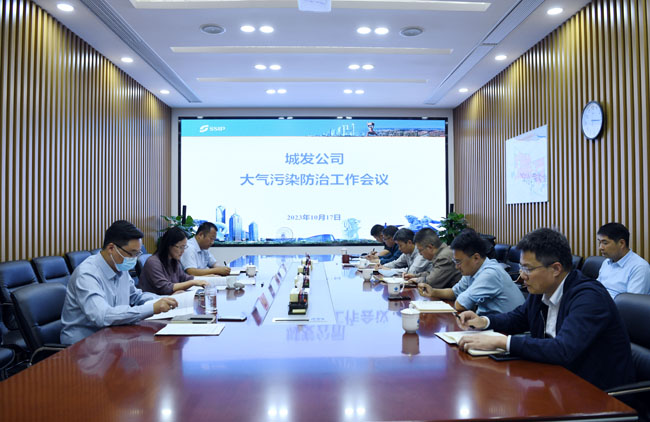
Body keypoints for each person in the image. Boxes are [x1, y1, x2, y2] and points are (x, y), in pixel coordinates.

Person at [457, 228, 635, 391]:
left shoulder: (589, 298)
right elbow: (518, 318)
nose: (522, 276)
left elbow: (563, 349)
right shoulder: (542, 289)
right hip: (556, 379)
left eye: (528, 268)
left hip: (597, 393)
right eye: (521, 267)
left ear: (556, 269)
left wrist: (503, 342)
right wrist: (484, 321)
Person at [61, 220, 178, 344]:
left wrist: (166, 300)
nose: (134, 259)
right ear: (111, 248)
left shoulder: (119, 266)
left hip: (113, 337)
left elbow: (136, 297)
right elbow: (102, 316)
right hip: (83, 344)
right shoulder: (87, 274)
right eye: (131, 253)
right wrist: (152, 308)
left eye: (137, 254)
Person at [418, 228, 524, 314]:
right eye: (455, 261)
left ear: (476, 258)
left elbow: (460, 304)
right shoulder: (472, 270)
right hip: (490, 324)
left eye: (458, 262)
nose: (456, 267)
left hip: (508, 331)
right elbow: (454, 292)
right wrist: (433, 291)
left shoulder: (490, 274)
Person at [139, 227, 209, 295]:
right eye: (180, 247)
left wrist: (206, 278)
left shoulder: (173, 260)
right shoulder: (153, 262)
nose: (183, 251)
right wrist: (192, 283)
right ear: (169, 245)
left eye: (184, 247)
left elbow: (184, 278)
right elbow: (165, 288)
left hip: (170, 298)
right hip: (155, 300)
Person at [597, 222, 650, 298]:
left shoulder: (640, 267)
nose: (600, 247)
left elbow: (631, 302)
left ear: (621, 243)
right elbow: (597, 287)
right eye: (600, 242)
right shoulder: (606, 262)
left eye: (605, 243)